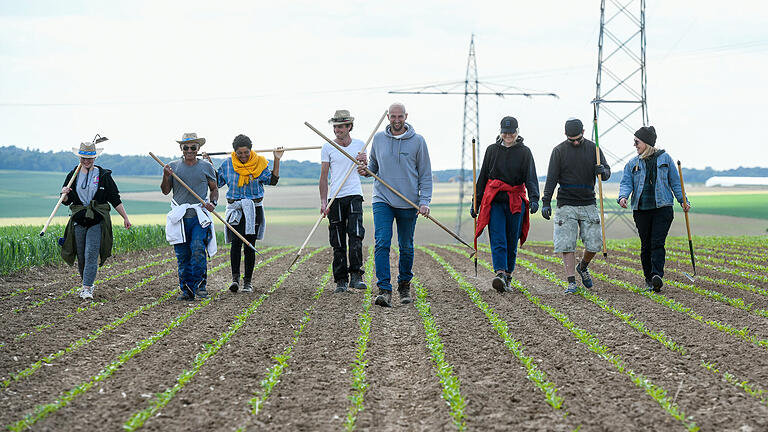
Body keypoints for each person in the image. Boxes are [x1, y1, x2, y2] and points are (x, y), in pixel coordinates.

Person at [357, 102, 432, 307]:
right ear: (388, 117)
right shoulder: (379, 139)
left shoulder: (418, 141)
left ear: (406, 116)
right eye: (393, 117)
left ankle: (404, 285)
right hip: (382, 199)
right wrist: (363, 169)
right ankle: (384, 290)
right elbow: (372, 168)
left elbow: (425, 175)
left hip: (409, 202)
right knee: (382, 242)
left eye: (400, 117)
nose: (396, 120)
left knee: (406, 246)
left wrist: (424, 201)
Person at [204, 134, 282, 293]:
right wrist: (209, 164)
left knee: (250, 245)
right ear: (235, 152)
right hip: (235, 209)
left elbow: (272, 181)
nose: (244, 156)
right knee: (235, 244)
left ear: (250, 150)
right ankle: (235, 280)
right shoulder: (228, 164)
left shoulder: (260, 163)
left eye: (246, 152)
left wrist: (277, 159)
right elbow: (218, 183)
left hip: (254, 208)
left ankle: (248, 282)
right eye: (240, 153)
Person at [541, 118, 610, 294]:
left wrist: (603, 171)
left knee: (595, 243)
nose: (576, 142)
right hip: (566, 203)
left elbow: (607, 172)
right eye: (572, 140)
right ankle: (571, 281)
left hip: (588, 202)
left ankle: (583, 266)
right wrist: (546, 202)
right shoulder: (559, 151)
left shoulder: (594, 149)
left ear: (584, 132)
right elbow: (551, 179)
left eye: (578, 138)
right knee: (567, 244)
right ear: (566, 135)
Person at [618, 126, 690, 292]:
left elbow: (676, 182)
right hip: (641, 209)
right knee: (646, 245)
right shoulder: (632, 163)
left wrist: (683, 200)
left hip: (662, 208)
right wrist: (623, 197)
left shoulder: (665, 159)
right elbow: (626, 183)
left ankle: (657, 275)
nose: (634, 145)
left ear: (647, 143)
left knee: (657, 242)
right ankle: (648, 278)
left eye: (637, 142)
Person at [471, 116, 539, 293]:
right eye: (505, 132)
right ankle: (500, 273)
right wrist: (475, 202)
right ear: (500, 132)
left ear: (517, 132)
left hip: (515, 201)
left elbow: (531, 177)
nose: (508, 135)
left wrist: (534, 199)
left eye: (512, 132)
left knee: (511, 239)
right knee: (498, 237)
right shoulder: (492, 150)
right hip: (495, 201)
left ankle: (508, 275)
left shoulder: (525, 152)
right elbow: (483, 177)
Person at [60, 137, 132, 300]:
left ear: (95, 157)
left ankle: (87, 288)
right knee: (82, 256)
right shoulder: (73, 175)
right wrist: (64, 194)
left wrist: (125, 217)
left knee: (91, 253)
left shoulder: (104, 175)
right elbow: (67, 201)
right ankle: (87, 283)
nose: (86, 160)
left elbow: (115, 198)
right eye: (83, 157)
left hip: (97, 219)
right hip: (79, 219)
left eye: (89, 158)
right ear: (79, 158)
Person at [161, 132, 218, 301]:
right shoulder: (173, 167)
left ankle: (200, 287)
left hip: (198, 217)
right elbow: (165, 191)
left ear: (199, 148)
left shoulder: (206, 167)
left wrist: (212, 204)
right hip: (179, 218)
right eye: (186, 147)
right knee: (183, 254)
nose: (190, 150)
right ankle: (186, 290)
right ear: (181, 148)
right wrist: (166, 176)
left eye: (193, 147)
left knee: (198, 249)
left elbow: (214, 189)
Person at [320, 110, 367, 293]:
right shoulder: (328, 147)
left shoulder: (360, 145)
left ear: (349, 127)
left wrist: (364, 163)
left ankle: (356, 276)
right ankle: (341, 280)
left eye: (341, 126)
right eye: (335, 126)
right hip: (335, 197)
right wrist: (324, 202)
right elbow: (323, 177)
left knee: (356, 236)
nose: (337, 130)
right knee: (337, 240)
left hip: (354, 194)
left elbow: (365, 173)